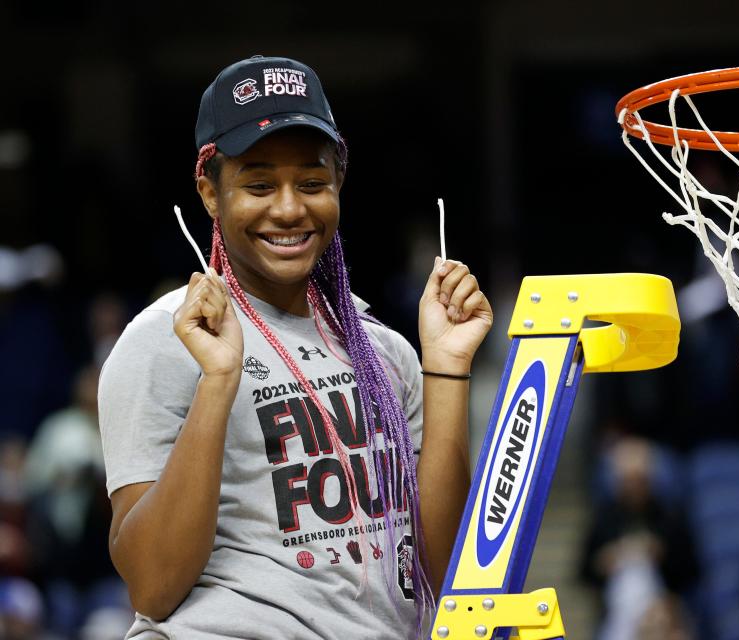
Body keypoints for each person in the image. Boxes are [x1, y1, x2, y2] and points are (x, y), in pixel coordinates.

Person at [97, 55, 492, 639]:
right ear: (210, 192)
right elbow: (152, 587)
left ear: (338, 184)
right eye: (258, 184)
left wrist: (447, 367)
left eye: (311, 183)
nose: (288, 208)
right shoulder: (163, 342)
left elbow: (447, 574)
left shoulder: (383, 351)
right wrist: (219, 380)